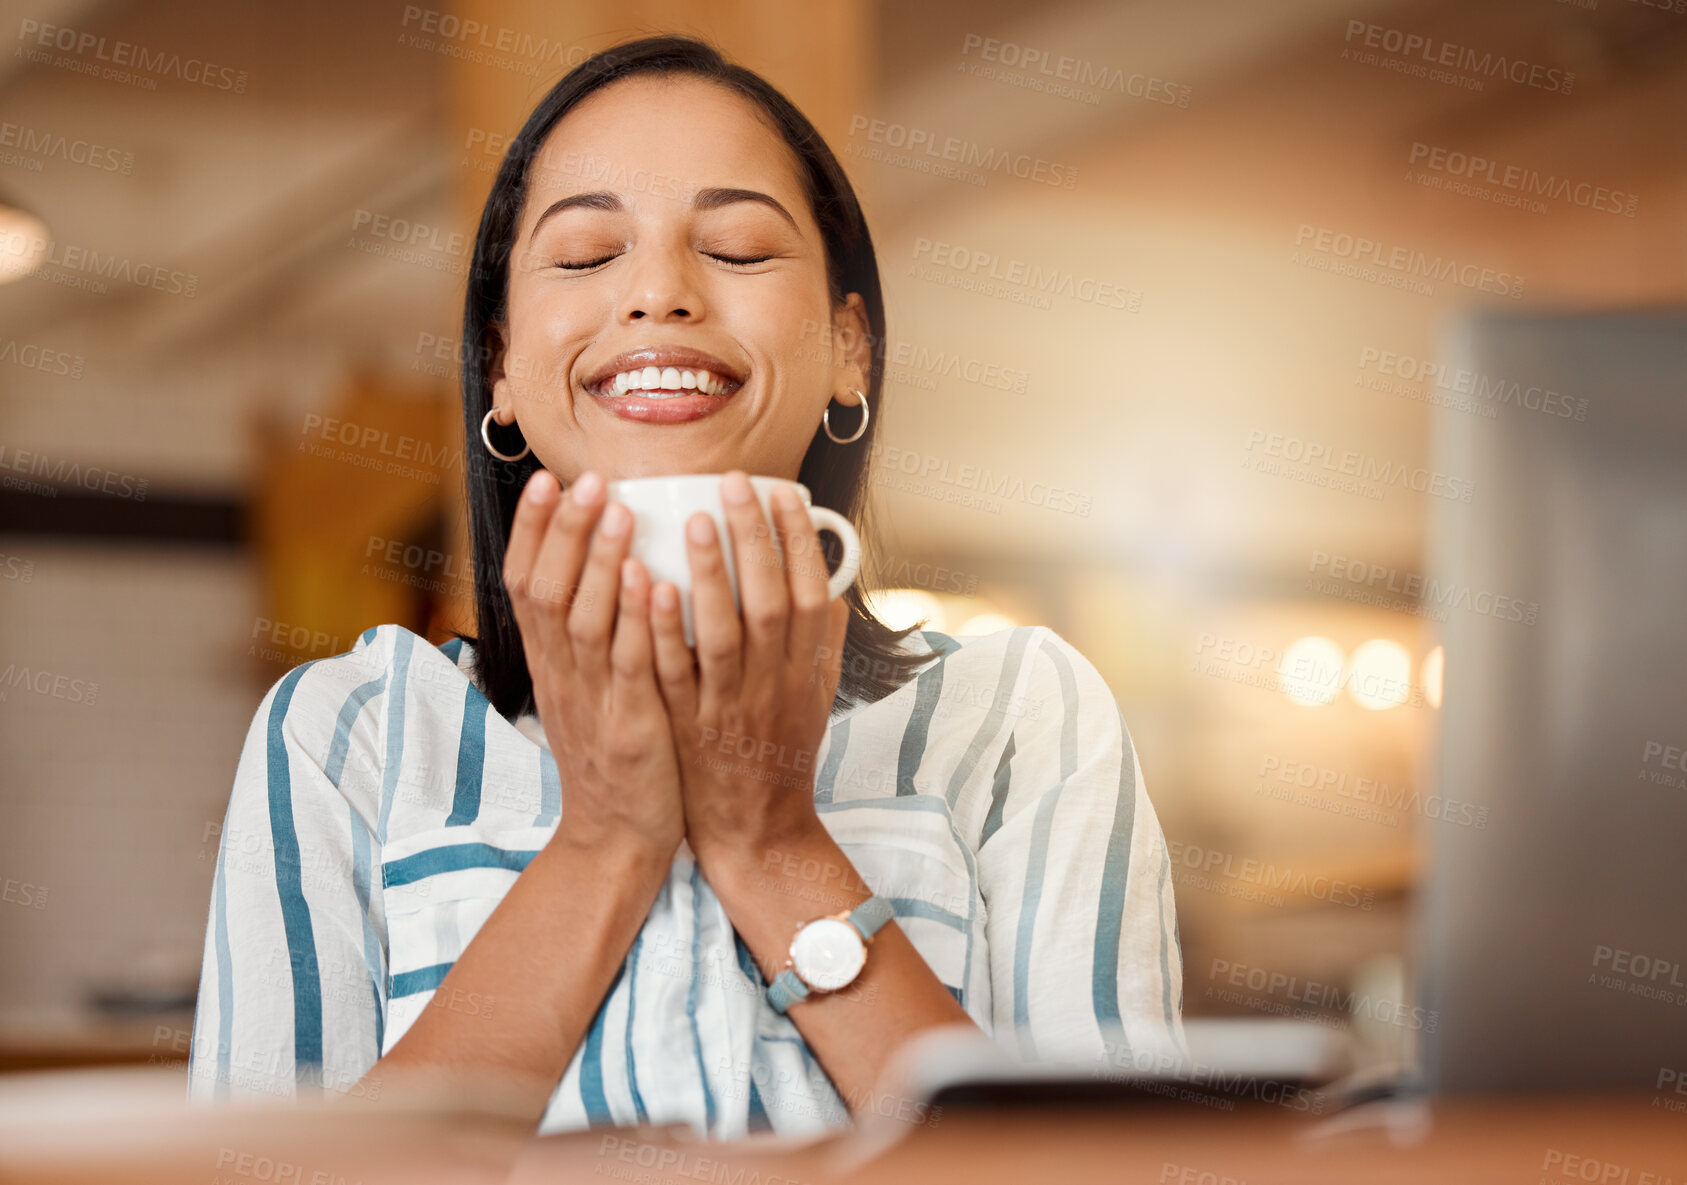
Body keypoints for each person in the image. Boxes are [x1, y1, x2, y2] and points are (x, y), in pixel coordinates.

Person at [188, 34, 1185, 1139]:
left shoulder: (1017, 721)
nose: (658, 293)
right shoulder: (354, 739)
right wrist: (603, 841)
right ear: (502, 367)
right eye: (582, 257)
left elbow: (1106, 1168)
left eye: (740, 248)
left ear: (850, 349)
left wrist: (774, 846)